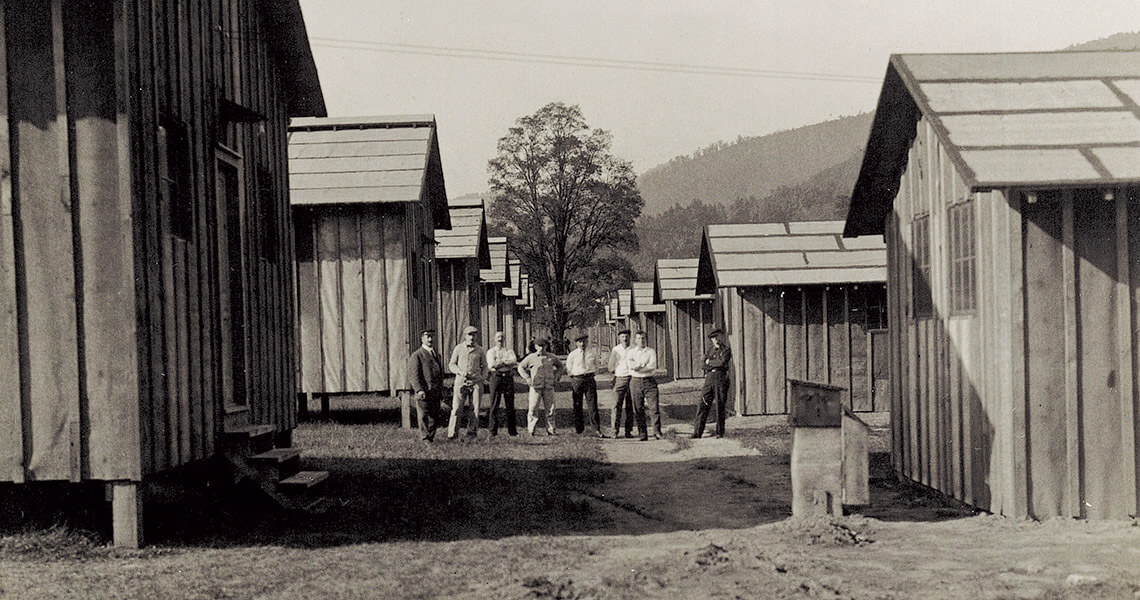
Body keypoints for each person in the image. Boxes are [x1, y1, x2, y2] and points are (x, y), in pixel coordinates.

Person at [447, 325, 489, 439]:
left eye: (474, 335)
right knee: (456, 408)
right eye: (469, 334)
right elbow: (451, 364)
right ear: (465, 336)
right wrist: (460, 372)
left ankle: (471, 433)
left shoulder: (480, 350)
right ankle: (452, 433)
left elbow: (485, 367)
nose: (472, 337)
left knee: (475, 408)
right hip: (461, 382)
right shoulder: (459, 348)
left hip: (476, 383)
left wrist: (482, 377)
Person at [517, 337, 564, 436]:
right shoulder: (531, 358)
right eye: (539, 346)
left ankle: (551, 429)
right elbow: (520, 367)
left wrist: (556, 378)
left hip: (549, 386)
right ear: (535, 346)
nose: (541, 348)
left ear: (546, 346)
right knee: (533, 408)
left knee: (550, 408)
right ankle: (531, 429)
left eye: (543, 346)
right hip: (535, 387)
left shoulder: (551, 357)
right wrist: (527, 378)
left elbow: (560, 367)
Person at [693, 328, 732, 439]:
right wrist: (712, 363)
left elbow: (723, 362)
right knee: (703, 403)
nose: (715, 340)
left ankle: (719, 432)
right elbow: (702, 365)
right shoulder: (710, 350)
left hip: (721, 379)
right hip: (709, 379)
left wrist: (709, 362)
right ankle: (697, 433)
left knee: (720, 405)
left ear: (721, 337)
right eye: (713, 338)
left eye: (717, 337)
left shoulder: (726, 350)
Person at [408, 329, 445, 442]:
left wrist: (441, 389)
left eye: (432, 336)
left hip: (435, 391)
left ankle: (430, 438)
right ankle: (424, 438)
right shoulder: (417, 355)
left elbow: (440, 374)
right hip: (424, 391)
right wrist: (419, 390)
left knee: (434, 416)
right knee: (423, 415)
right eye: (427, 336)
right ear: (422, 339)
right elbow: (414, 375)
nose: (430, 339)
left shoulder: (436, 355)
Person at [567, 333, 604, 437]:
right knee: (577, 405)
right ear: (576, 343)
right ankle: (579, 429)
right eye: (580, 342)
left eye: (584, 341)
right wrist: (574, 376)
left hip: (589, 379)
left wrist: (591, 374)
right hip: (577, 380)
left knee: (592, 405)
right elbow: (569, 368)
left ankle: (596, 429)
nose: (582, 344)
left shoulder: (592, 353)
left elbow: (597, 366)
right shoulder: (573, 354)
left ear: (587, 342)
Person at [626, 330, 660, 441]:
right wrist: (642, 365)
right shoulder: (631, 352)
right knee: (638, 408)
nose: (641, 340)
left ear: (646, 339)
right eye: (639, 338)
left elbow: (652, 366)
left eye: (643, 338)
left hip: (649, 381)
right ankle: (642, 433)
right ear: (635, 340)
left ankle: (657, 432)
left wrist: (638, 366)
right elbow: (631, 366)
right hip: (635, 381)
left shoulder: (651, 351)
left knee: (653, 407)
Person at [486, 330, 519, 436]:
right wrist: (505, 363)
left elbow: (514, 361)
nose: (500, 339)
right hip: (496, 378)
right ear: (494, 339)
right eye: (498, 337)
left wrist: (501, 362)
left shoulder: (509, 351)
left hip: (508, 377)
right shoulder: (491, 351)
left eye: (502, 337)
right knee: (494, 404)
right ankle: (492, 431)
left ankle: (512, 431)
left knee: (510, 405)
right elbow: (491, 364)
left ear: (504, 339)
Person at [607, 329, 635, 438]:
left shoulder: (634, 349)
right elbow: (610, 366)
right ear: (619, 338)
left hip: (632, 378)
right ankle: (614, 431)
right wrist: (617, 372)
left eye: (627, 336)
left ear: (630, 337)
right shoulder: (616, 349)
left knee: (630, 406)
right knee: (616, 405)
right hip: (620, 378)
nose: (625, 339)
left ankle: (628, 431)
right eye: (623, 337)